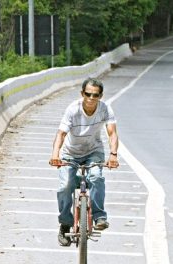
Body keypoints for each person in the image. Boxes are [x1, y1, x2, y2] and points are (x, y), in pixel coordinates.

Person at [49, 77, 119, 247]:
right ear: (82, 94)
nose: (91, 98)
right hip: (70, 153)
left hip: (93, 151)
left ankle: (99, 216)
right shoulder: (73, 109)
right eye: (88, 94)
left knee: (96, 177)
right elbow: (61, 134)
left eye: (95, 95)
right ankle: (65, 224)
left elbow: (112, 133)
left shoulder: (104, 109)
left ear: (100, 96)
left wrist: (113, 155)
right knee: (65, 185)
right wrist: (55, 154)